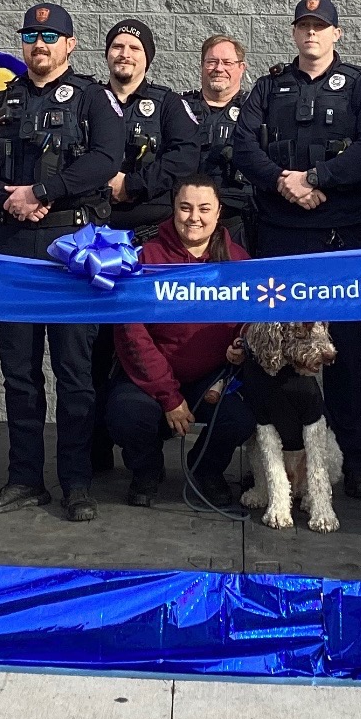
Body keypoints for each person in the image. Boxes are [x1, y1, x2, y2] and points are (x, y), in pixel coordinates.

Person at [0, 2, 125, 522]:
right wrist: (7, 199)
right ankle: (24, 479)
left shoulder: (93, 98)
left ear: (70, 44)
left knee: (75, 374)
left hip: (71, 251)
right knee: (19, 374)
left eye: (51, 36)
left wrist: (43, 191)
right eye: (31, 36)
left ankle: (76, 482)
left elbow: (106, 158)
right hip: (13, 248)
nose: (40, 44)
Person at [233, 0, 361, 500]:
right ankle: (271, 465)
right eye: (304, 26)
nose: (311, 34)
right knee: (271, 350)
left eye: (320, 27)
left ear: (336, 34)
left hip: (338, 239)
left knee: (345, 351)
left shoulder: (360, 87)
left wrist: (318, 177)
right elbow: (243, 145)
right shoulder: (269, 87)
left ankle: (357, 461)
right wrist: (283, 180)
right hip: (279, 237)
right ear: (294, 33)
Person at [106, 174, 256, 507]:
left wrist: (241, 343)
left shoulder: (238, 261)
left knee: (241, 417)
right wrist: (169, 397)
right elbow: (131, 332)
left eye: (204, 208)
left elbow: (248, 321)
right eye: (185, 208)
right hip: (152, 377)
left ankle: (205, 470)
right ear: (174, 209)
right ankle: (147, 470)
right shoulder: (145, 258)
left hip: (211, 378)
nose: (194, 217)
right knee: (126, 414)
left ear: (218, 212)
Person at [92, 18, 200, 471]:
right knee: (94, 349)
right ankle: (96, 451)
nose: (125, 54)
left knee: (150, 340)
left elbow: (185, 157)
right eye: (118, 46)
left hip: (151, 245)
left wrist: (131, 185)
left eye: (134, 48)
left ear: (147, 58)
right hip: (94, 243)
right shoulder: (88, 98)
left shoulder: (168, 104)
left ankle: (148, 441)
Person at [181, 35, 254, 249]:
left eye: (227, 62)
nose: (218, 68)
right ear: (202, 66)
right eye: (211, 62)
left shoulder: (256, 110)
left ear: (241, 68)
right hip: (186, 220)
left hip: (238, 219)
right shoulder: (179, 108)